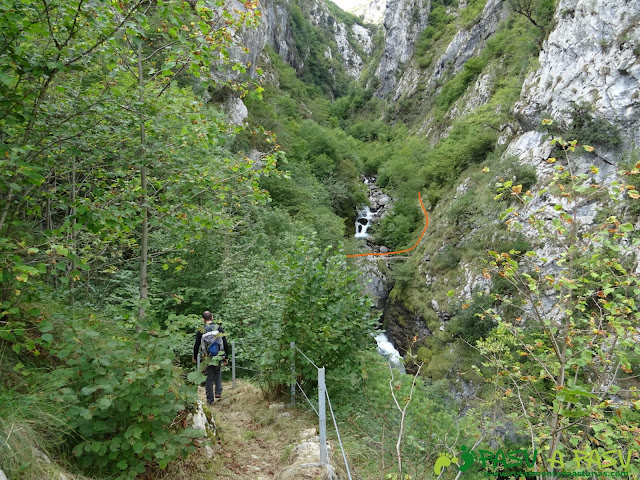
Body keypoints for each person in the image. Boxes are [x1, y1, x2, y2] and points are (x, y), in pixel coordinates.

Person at [192, 311, 230, 404]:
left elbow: (196, 345)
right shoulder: (218, 328)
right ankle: (218, 392)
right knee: (217, 372)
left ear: (203, 319)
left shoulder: (201, 330)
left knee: (208, 377)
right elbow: (225, 343)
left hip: (207, 357)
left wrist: (194, 356)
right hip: (218, 356)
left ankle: (210, 400)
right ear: (212, 317)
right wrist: (226, 356)